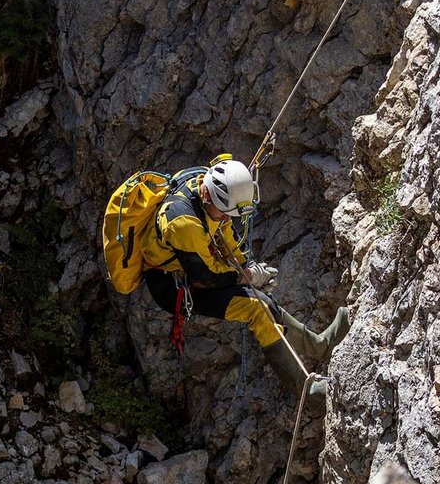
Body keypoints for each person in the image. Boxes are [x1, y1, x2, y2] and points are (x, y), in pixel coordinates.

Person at [140, 155, 349, 412]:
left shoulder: (207, 193)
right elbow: (205, 277)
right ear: (208, 198)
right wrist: (244, 277)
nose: (228, 219)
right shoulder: (183, 222)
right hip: (175, 288)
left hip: (193, 273)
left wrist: (246, 265)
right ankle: (308, 393)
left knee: (263, 303)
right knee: (255, 308)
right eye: (224, 214)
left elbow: (223, 231)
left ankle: (319, 345)